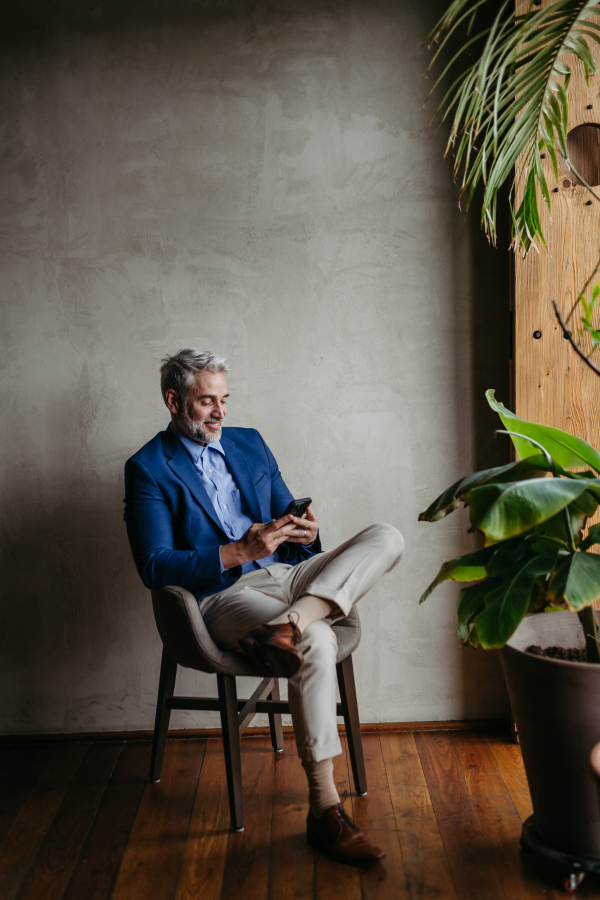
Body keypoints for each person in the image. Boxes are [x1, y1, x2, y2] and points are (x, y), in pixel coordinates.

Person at [124, 348, 403, 867]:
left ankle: (286, 626)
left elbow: (294, 538)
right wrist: (238, 552)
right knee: (317, 640)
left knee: (386, 536)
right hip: (223, 596)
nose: (220, 412)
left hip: (288, 580)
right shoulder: (147, 469)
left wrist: (303, 532)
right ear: (173, 401)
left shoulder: (250, 444)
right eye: (207, 401)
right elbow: (156, 566)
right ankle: (325, 808)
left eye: (224, 399)